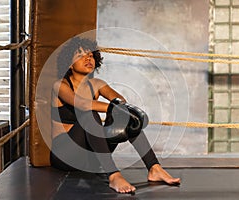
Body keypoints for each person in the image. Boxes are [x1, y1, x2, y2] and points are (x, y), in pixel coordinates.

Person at [50, 36, 181, 194]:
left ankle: (154, 167)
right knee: (89, 114)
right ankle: (113, 175)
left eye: (90, 55)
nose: (88, 58)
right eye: (80, 55)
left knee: (125, 117)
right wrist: (115, 108)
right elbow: (82, 104)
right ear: (69, 65)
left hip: (91, 159)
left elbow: (121, 102)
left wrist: (122, 112)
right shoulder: (60, 85)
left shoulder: (97, 84)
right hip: (65, 155)